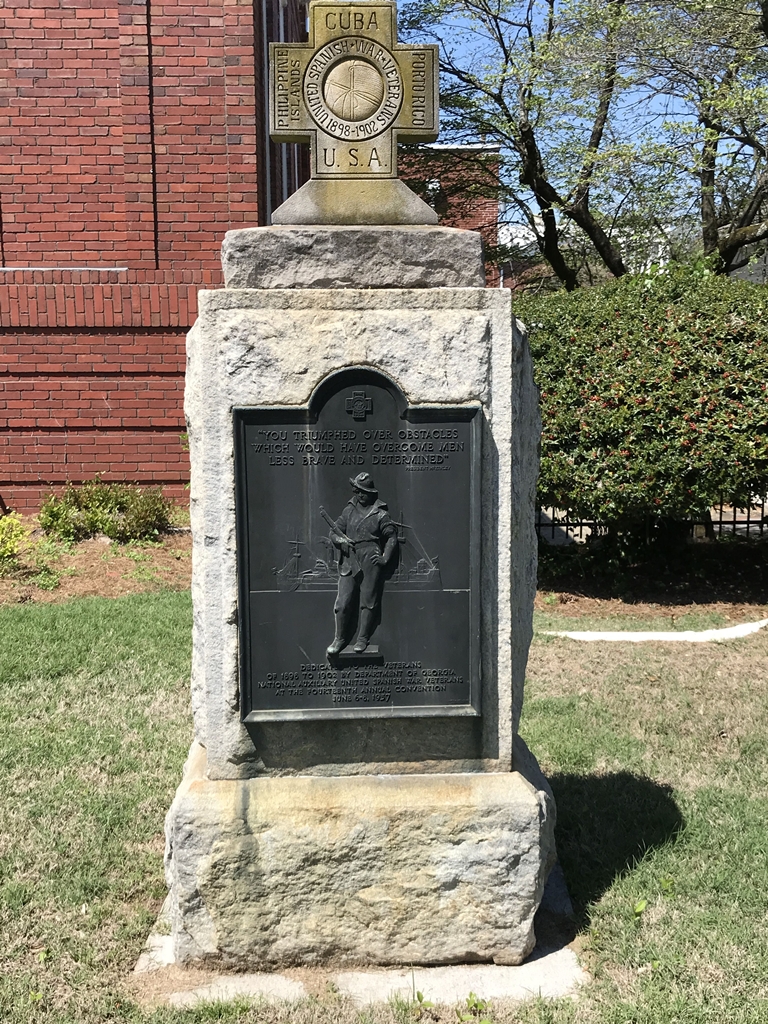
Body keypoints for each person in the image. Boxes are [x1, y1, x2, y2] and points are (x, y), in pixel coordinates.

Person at [325, 473, 398, 654]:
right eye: (357, 491)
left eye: (363, 492)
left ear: (371, 493)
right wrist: (341, 541)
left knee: (368, 602)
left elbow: (391, 537)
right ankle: (339, 638)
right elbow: (333, 533)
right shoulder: (348, 511)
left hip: (370, 560)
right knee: (342, 604)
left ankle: (362, 638)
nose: (360, 495)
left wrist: (385, 558)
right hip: (349, 558)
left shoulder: (380, 514)